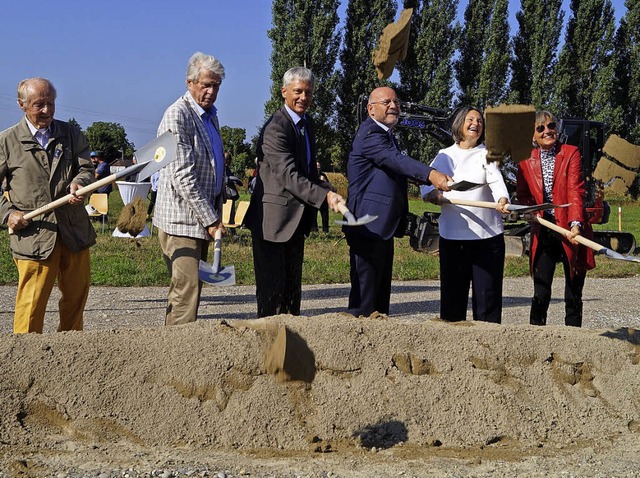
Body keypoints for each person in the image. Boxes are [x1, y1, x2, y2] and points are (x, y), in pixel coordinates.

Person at [245, 66, 345, 318]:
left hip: (295, 222)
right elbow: (288, 175)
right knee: (272, 295)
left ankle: (291, 348)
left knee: (292, 292)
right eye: (298, 91)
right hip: (273, 223)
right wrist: (324, 197)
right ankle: (270, 351)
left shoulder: (306, 124)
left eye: (308, 93)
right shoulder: (276, 128)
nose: (303, 97)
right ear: (284, 92)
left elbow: (308, 169)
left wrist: (324, 185)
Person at [344, 86, 452, 317]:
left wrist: (426, 188)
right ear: (370, 109)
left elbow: (392, 169)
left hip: (380, 226)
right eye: (387, 102)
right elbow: (393, 160)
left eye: (396, 102)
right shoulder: (371, 134)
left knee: (379, 299)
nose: (394, 106)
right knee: (365, 300)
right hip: (367, 224)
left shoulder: (386, 135)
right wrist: (431, 174)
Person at [0, 77, 96, 334]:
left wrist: (79, 183)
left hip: (73, 232)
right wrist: (8, 214)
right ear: (22, 105)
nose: (46, 110)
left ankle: (71, 354)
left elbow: (86, 169)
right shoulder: (7, 141)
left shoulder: (71, 134)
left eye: (50, 103)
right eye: (38, 104)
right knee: (31, 307)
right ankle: (26, 359)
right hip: (35, 237)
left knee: (76, 300)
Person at [153, 52, 227, 326]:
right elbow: (182, 176)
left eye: (216, 86)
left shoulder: (210, 115)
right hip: (182, 221)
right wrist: (211, 220)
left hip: (200, 219)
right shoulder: (178, 115)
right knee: (185, 293)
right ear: (190, 82)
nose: (211, 91)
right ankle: (176, 357)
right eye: (206, 84)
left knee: (192, 289)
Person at [421, 106, 510, 324]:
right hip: (453, 240)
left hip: (487, 240)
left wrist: (502, 200)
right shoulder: (444, 156)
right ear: (459, 124)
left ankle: (487, 350)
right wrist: (433, 194)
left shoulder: (487, 154)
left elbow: (496, 181)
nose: (476, 124)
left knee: (487, 302)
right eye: (470, 119)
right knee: (452, 303)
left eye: (479, 121)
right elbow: (425, 185)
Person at [516, 111, 595, 327]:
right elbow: (522, 193)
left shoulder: (571, 153)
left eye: (550, 126)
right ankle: (536, 340)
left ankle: (573, 341)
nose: (547, 131)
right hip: (544, 229)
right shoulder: (525, 160)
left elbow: (575, 190)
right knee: (541, 293)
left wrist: (576, 224)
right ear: (533, 136)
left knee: (573, 294)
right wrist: (529, 210)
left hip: (571, 229)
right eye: (540, 128)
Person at [311, 161, 332, 233]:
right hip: (314, 198)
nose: (318, 169)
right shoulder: (311, 175)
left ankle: (325, 230)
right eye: (316, 168)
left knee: (325, 215)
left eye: (319, 167)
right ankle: (314, 229)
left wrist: (324, 181)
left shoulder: (323, 175)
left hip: (323, 198)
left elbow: (328, 185)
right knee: (313, 215)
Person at [223, 151, 242, 225]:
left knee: (231, 212)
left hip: (229, 193)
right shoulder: (221, 168)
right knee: (226, 212)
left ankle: (232, 230)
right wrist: (233, 179)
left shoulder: (227, 169)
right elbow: (225, 179)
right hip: (224, 192)